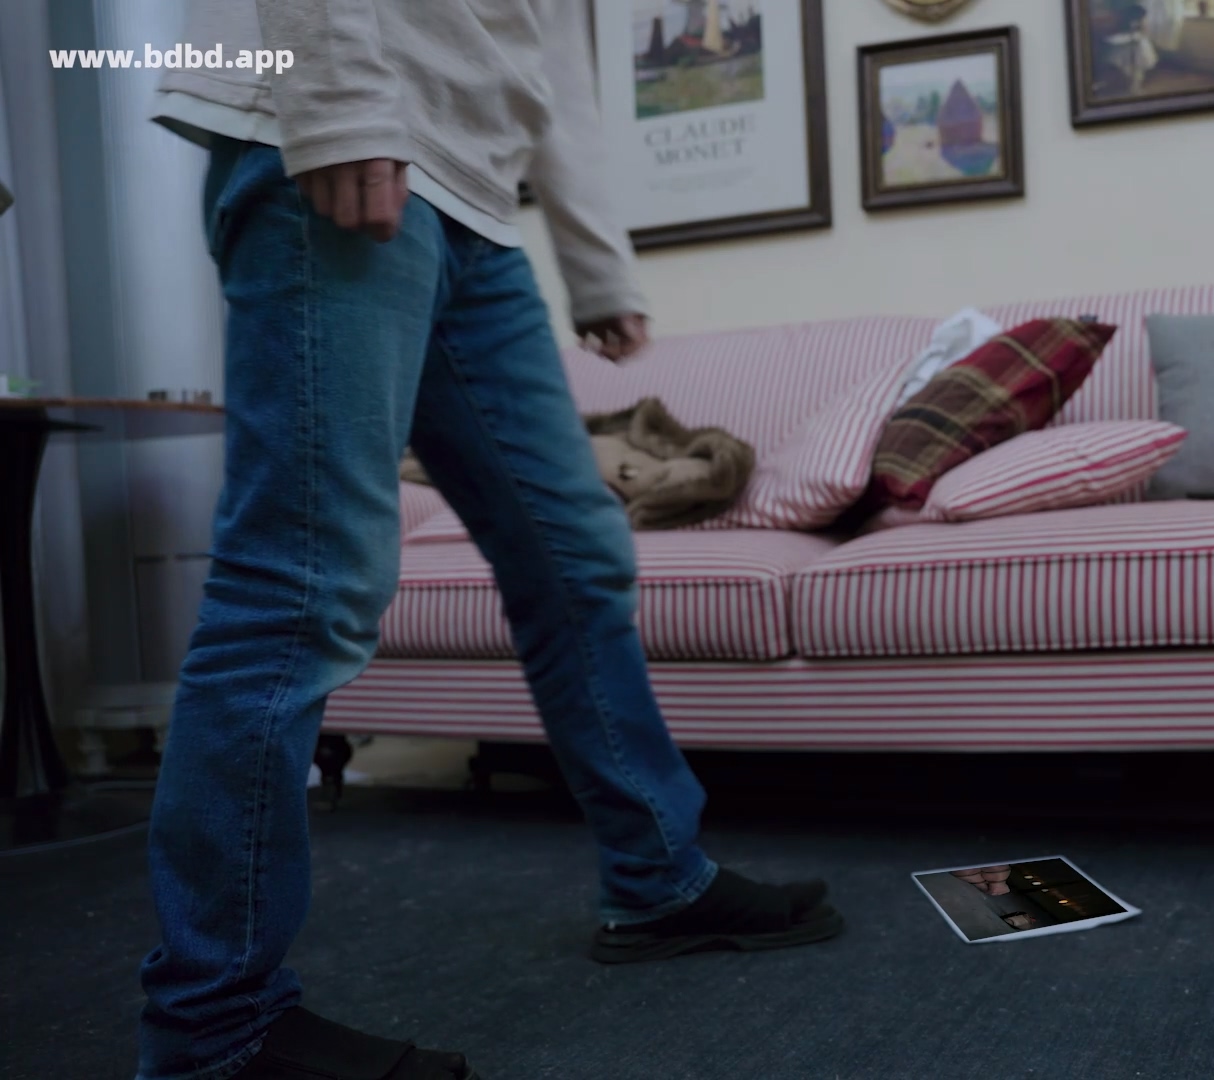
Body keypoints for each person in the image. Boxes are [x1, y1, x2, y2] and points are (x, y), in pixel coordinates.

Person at [139, 3, 842, 1077]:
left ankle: (658, 881)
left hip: (476, 207)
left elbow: (544, 41)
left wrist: (598, 264)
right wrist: (340, 103)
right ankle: (214, 1025)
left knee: (579, 557)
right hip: (340, 133)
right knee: (307, 584)